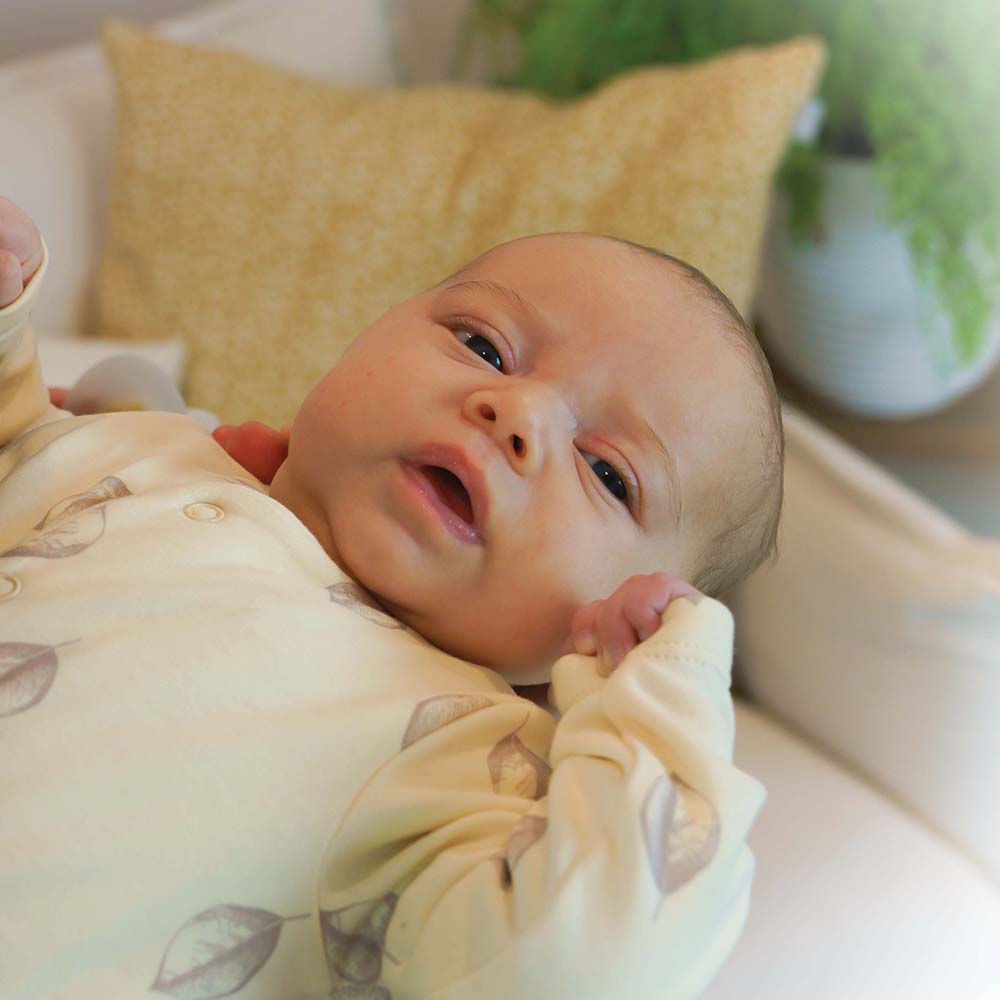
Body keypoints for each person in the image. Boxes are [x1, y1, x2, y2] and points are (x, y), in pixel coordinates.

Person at [0, 194, 775, 999]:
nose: (519, 412)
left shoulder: (468, 767)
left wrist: (653, 708)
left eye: (610, 473)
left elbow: (582, 967)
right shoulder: (159, 450)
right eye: (484, 346)